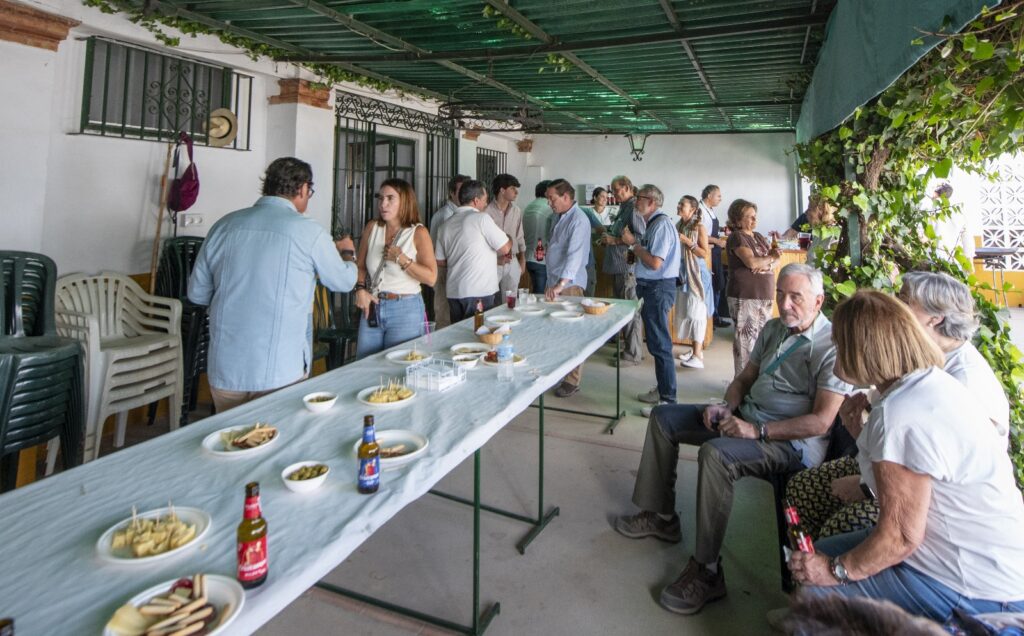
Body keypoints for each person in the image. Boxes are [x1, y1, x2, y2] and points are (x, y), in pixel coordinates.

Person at [615, 263, 849, 616]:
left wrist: (758, 431)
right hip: (748, 418)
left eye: (795, 297)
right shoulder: (774, 328)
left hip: (789, 444)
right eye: (780, 295)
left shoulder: (830, 347)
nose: (784, 304)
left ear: (819, 301)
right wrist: (727, 406)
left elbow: (821, 421)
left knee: (716, 455)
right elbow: (744, 378)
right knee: (664, 419)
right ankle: (662, 516)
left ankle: (707, 571)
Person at [789, 290, 1024, 624]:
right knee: (824, 549)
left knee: (815, 597)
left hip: (973, 585)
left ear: (866, 348)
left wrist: (834, 571)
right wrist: (859, 432)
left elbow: (900, 537)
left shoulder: (900, 410)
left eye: (840, 343)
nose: (834, 350)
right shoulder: (923, 384)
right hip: (967, 560)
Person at [785, 271, 1010, 540]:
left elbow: (951, 474)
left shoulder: (967, 380)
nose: (893, 305)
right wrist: (860, 434)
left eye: (904, 300)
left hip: (939, 505)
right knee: (802, 488)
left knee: (844, 524)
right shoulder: (917, 356)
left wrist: (866, 487)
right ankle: (806, 558)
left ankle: (825, 560)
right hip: (891, 466)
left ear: (935, 318)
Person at [188, 157, 357, 412]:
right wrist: (347, 254)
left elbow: (197, 294)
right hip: (279, 368)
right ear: (302, 189)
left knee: (231, 434)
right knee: (276, 434)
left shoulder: (224, 226)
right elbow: (343, 281)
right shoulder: (308, 231)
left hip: (226, 367)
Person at [353, 179, 437, 359]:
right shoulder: (372, 228)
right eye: (381, 198)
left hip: (405, 308)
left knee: (399, 365)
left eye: (390, 198)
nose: (383, 204)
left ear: (405, 201)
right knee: (364, 364)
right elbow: (360, 266)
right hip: (373, 305)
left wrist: (401, 259)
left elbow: (431, 278)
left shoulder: (418, 233)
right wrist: (360, 289)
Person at [620, 185, 680, 415]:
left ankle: (668, 401)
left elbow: (655, 262)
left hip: (657, 288)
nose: (636, 201)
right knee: (656, 343)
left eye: (640, 198)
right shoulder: (653, 223)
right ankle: (662, 390)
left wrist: (632, 244)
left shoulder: (661, 225)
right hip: (652, 287)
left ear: (652, 202)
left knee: (660, 345)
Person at [436, 179, 513, 322]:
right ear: (476, 200)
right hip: (479, 291)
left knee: (459, 331)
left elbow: (440, 261)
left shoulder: (445, 225)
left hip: (454, 292)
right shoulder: (481, 219)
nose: (486, 204)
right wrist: (509, 239)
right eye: (485, 200)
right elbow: (505, 248)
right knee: (479, 331)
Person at [544, 178, 592, 398]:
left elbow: (574, 256)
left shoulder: (578, 220)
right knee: (557, 332)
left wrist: (560, 284)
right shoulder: (559, 216)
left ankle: (572, 380)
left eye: (552, 199)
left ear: (565, 197)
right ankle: (561, 373)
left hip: (569, 285)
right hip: (555, 282)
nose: (549, 203)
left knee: (572, 335)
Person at [725, 198, 781, 377]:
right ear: (737, 220)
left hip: (764, 294)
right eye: (750, 217)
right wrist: (767, 260)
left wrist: (767, 262)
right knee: (745, 343)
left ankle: (756, 381)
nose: (754, 220)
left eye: (755, 216)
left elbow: (776, 259)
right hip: (745, 295)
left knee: (762, 341)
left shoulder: (758, 237)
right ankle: (741, 384)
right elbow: (751, 262)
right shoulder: (737, 237)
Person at [601, 176, 644, 366]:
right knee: (625, 310)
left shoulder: (633, 208)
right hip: (620, 266)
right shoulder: (624, 207)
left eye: (616, 190)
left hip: (628, 267)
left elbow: (641, 238)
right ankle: (630, 349)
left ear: (627, 187)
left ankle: (633, 354)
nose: (614, 194)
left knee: (630, 310)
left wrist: (615, 240)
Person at [674, 195, 711, 369]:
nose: (679, 206)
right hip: (683, 274)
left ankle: (697, 355)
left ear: (693, 209)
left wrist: (688, 242)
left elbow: (704, 253)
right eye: (679, 203)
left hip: (696, 274)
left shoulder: (700, 227)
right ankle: (694, 350)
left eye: (682, 204)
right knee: (686, 310)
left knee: (696, 312)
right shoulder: (679, 225)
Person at [429, 174, 470, 328]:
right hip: (443, 270)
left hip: (457, 270)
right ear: (452, 193)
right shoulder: (444, 215)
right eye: (460, 190)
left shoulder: (466, 213)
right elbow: (436, 249)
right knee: (444, 314)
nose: (464, 193)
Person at [484, 173, 525, 297]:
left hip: (512, 260)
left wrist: (522, 259)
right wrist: (496, 260)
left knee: (511, 299)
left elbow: (519, 236)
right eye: (512, 188)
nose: (516, 192)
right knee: (488, 296)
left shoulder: (516, 211)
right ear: (502, 190)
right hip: (493, 262)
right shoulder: (486, 212)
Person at [699, 185, 730, 328]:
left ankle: (715, 315)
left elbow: (709, 228)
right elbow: (701, 234)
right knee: (714, 284)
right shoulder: (700, 211)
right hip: (709, 251)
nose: (720, 199)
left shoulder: (709, 209)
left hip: (715, 251)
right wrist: (718, 241)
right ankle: (713, 317)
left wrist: (722, 229)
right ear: (709, 196)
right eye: (718, 196)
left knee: (718, 284)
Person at [522, 180, 553, 294]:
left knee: (536, 291)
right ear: (546, 192)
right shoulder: (549, 208)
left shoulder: (528, 207)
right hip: (542, 259)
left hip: (528, 257)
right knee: (541, 295)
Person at [580, 188, 609, 296]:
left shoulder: (612, 212)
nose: (605, 199)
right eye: (602, 196)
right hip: (591, 249)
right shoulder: (587, 212)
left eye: (606, 197)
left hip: (604, 250)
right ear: (595, 197)